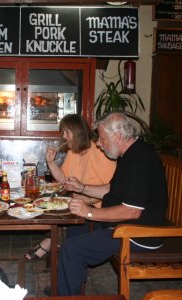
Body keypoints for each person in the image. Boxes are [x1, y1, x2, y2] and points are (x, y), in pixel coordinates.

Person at [58, 112, 168, 295]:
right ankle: (69, 287)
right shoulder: (130, 154)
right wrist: (82, 187)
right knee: (75, 234)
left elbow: (131, 212)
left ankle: (68, 294)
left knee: (71, 249)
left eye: (101, 138)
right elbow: (112, 189)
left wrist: (90, 213)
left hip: (139, 234)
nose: (99, 144)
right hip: (126, 226)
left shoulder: (140, 160)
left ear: (117, 136)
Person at [24, 114, 116, 260]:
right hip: (78, 203)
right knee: (49, 206)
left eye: (67, 132)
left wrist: (87, 200)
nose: (64, 137)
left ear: (77, 132)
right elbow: (64, 180)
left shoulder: (99, 152)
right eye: (63, 132)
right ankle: (55, 245)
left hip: (99, 209)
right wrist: (51, 162)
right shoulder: (74, 151)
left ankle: (61, 250)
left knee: (68, 219)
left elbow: (112, 190)